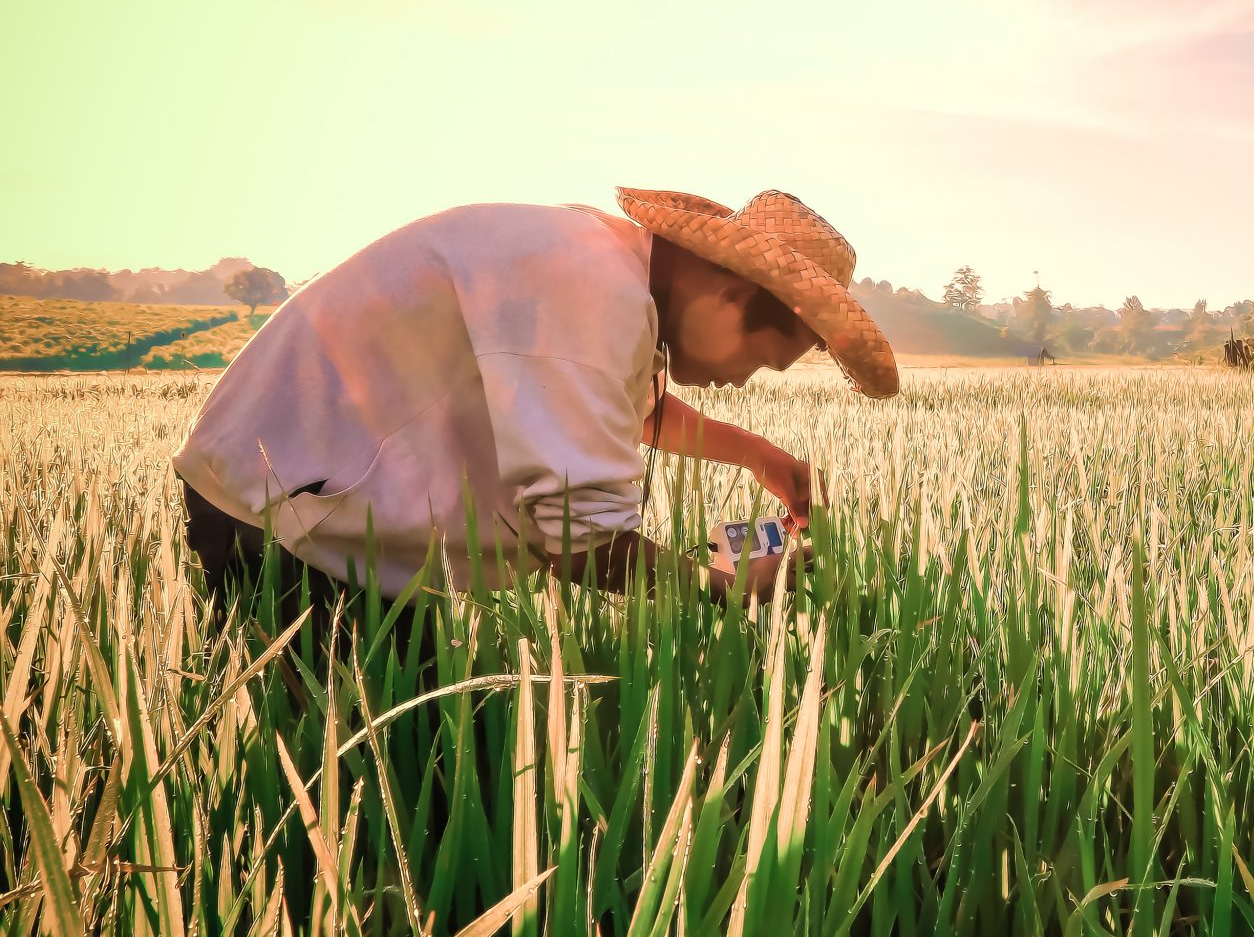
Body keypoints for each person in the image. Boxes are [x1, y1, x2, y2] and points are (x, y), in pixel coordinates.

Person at [172, 187, 898, 646]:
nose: (743, 380)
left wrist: (761, 458)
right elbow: (580, 543)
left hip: (309, 509)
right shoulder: (594, 294)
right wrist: (731, 591)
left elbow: (614, 406)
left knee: (426, 771)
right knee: (373, 809)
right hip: (285, 522)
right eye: (761, 357)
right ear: (731, 302)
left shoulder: (601, 264)